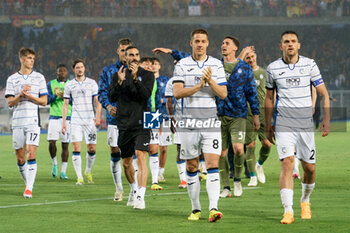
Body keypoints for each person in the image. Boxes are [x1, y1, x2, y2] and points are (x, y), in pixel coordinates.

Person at [265, 31, 330, 224]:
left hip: (305, 124)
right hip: (284, 122)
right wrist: (268, 125)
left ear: (299, 45)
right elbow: (269, 98)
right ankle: (288, 211)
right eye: (286, 41)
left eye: (293, 41)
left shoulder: (309, 65)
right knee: (287, 163)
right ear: (281, 46)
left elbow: (324, 94)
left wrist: (326, 118)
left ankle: (305, 200)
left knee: (309, 168)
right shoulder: (273, 68)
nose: (290, 44)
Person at [173, 28, 227, 222]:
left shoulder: (216, 65)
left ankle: (213, 208)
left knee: (213, 164)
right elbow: (177, 93)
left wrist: (209, 80)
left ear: (207, 43)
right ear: (191, 43)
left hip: (211, 121)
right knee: (192, 165)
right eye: (196, 41)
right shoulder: (181, 65)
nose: (200, 44)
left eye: (203, 41)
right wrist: (199, 86)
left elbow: (222, 93)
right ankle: (196, 209)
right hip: (189, 123)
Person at [108, 46, 155, 210]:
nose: (134, 57)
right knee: (126, 162)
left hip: (143, 121)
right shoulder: (117, 75)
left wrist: (135, 78)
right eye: (131, 55)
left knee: (141, 154)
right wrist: (120, 82)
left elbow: (145, 95)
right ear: (125, 57)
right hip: (124, 123)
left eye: (137, 54)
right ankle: (134, 190)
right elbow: (112, 96)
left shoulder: (147, 75)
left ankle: (141, 196)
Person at [216, 36, 260, 198]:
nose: (223, 45)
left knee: (239, 149)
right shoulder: (215, 65)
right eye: (222, 43)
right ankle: (226, 187)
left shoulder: (244, 68)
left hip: (239, 115)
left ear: (235, 48)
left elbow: (251, 93)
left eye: (227, 43)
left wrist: (255, 115)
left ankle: (237, 179)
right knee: (221, 153)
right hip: (219, 115)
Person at [5, 47, 48, 198]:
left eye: (33, 58)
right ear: (22, 59)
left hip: (33, 121)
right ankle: (27, 183)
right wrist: (20, 95)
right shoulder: (12, 79)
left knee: (31, 153)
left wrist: (30, 97)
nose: (32, 61)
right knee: (20, 157)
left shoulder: (39, 78)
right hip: (17, 121)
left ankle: (29, 188)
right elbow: (10, 102)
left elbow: (44, 101)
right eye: (29, 58)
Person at [98, 38, 132, 201]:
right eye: (122, 50)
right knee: (115, 152)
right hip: (114, 118)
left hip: (133, 118)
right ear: (118, 51)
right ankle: (119, 188)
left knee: (133, 155)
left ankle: (135, 189)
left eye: (128, 50)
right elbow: (102, 92)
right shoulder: (108, 71)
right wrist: (108, 106)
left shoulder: (138, 70)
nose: (125, 53)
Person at [62, 59, 101, 185]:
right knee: (76, 148)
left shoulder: (92, 83)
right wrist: (63, 122)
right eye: (77, 67)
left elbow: (97, 101)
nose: (80, 69)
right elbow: (66, 104)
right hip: (75, 121)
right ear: (74, 69)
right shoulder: (69, 85)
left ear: (84, 68)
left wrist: (98, 116)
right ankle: (79, 177)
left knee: (92, 148)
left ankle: (88, 171)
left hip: (90, 120)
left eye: (82, 67)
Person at [238, 48, 272, 186]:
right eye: (247, 58)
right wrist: (243, 52)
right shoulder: (241, 74)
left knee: (267, 144)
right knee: (250, 144)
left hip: (263, 112)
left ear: (256, 56)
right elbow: (234, 65)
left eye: (252, 57)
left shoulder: (264, 73)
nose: (251, 60)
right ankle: (252, 177)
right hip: (247, 113)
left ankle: (259, 164)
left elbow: (270, 95)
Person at [140, 57, 163, 191]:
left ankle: (154, 180)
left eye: (150, 65)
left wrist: (158, 120)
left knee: (153, 148)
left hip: (152, 115)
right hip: (137, 115)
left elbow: (157, 101)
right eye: (146, 64)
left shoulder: (154, 80)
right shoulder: (135, 78)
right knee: (138, 150)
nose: (149, 66)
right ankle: (138, 179)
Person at [47, 64, 71, 180]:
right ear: (56, 73)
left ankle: (63, 172)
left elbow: (75, 100)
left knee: (65, 145)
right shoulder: (51, 84)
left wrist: (66, 98)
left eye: (64, 71)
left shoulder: (71, 84)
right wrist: (55, 96)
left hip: (67, 118)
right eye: (59, 71)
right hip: (54, 117)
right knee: (52, 142)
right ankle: (55, 163)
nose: (62, 73)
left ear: (66, 73)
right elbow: (46, 100)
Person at [164, 76, 187, 188]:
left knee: (198, 147)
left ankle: (200, 171)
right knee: (180, 148)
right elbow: (169, 101)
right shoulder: (171, 81)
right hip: (179, 119)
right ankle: (183, 179)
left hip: (197, 117)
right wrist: (171, 118)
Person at [151, 57, 171, 183]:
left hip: (164, 115)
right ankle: (153, 173)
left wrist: (163, 101)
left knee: (163, 147)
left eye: (156, 64)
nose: (153, 66)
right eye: (151, 64)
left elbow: (172, 97)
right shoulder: (146, 80)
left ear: (159, 66)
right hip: (151, 115)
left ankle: (160, 172)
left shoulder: (166, 80)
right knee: (153, 146)